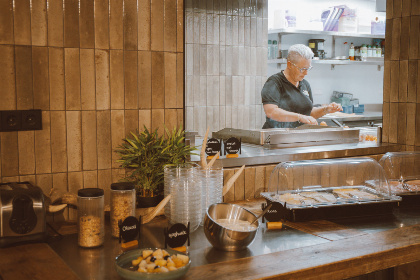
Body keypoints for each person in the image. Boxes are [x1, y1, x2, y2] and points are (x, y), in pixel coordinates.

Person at [261, 44, 342, 129]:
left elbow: (309, 113)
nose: (306, 73)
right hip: (277, 136)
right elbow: (271, 112)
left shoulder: (305, 84)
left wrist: (326, 109)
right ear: (289, 65)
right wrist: (300, 117)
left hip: (298, 137)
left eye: (308, 68)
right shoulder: (274, 82)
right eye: (302, 69)